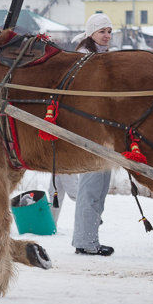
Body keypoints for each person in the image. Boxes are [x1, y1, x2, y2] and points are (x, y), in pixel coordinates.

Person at [61, 13, 116, 256]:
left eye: (109, 31)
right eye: (102, 31)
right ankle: (85, 240)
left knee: (99, 185)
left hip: (102, 127)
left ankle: (88, 237)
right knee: (92, 185)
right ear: (91, 33)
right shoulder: (85, 59)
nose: (106, 35)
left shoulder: (101, 57)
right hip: (91, 129)